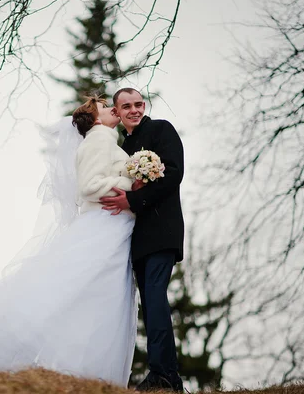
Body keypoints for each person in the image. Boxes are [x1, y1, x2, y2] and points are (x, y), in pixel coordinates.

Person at [0, 96, 138, 387]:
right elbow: (90, 186)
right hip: (104, 226)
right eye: (104, 106)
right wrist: (133, 186)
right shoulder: (99, 139)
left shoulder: (106, 140)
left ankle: (82, 373)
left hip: (112, 226)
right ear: (96, 119)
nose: (111, 108)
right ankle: (85, 372)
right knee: (95, 297)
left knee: (94, 299)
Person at [100, 88, 185, 392]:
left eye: (138, 104)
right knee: (149, 304)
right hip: (136, 239)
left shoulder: (162, 129)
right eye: (126, 106)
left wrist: (133, 200)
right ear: (118, 112)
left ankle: (165, 373)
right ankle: (164, 375)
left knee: (155, 296)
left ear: (143, 106)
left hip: (163, 230)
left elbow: (174, 174)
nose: (134, 110)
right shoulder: (125, 144)